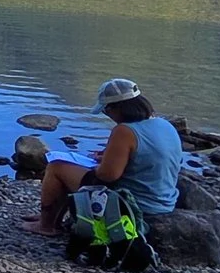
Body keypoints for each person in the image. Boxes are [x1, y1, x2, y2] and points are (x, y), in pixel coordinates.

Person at [27, 77, 183, 238]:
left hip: (134, 203)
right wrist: (109, 157)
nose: (107, 115)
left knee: (57, 167)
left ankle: (46, 226)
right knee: (73, 171)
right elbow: (151, 158)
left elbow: (107, 176)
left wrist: (97, 166)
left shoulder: (124, 131)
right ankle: (53, 216)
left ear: (116, 108)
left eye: (106, 111)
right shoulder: (164, 125)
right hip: (164, 202)